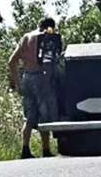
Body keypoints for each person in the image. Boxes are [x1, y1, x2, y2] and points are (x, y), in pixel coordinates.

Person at [8, 17, 61, 159]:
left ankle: (25, 149)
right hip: (41, 77)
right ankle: (46, 150)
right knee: (44, 114)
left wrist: (18, 84)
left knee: (29, 117)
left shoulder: (26, 37)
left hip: (27, 77)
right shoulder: (46, 37)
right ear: (51, 27)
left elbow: (11, 62)